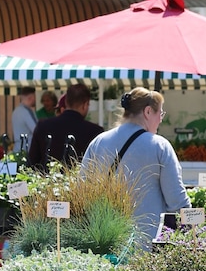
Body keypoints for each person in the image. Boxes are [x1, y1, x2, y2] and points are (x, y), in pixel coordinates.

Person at [81, 87, 190, 238]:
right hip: (146, 241)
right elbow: (177, 201)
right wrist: (193, 230)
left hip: (104, 241)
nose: (160, 119)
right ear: (148, 112)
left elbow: (83, 190)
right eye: (160, 113)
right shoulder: (160, 146)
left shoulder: (98, 142)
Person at [28, 83, 104, 169]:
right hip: (80, 177)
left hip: (47, 176)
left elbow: (31, 163)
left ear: (66, 102)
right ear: (85, 105)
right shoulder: (95, 132)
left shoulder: (43, 126)